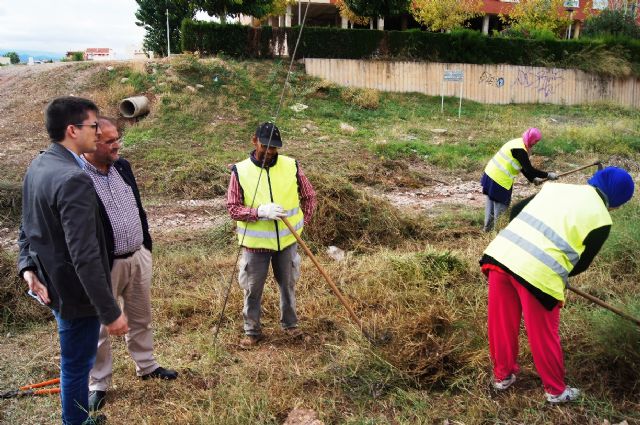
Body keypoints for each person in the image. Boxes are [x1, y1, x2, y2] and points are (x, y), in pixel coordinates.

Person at [480, 167, 634, 403]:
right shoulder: (602, 219)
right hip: (538, 276)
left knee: (501, 323)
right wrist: (554, 270)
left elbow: (518, 211)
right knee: (543, 334)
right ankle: (556, 391)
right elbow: (581, 264)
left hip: (501, 256)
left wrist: (524, 242)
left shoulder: (556, 188)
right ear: (616, 200)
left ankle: (503, 377)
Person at [17, 97, 128, 425]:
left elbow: (28, 226)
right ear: (72, 129)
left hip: (54, 284)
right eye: (93, 126)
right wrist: (110, 312)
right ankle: (76, 421)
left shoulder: (39, 164)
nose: (98, 132)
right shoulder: (73, 179)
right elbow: (85, 254)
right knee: (77, 366)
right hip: (75, 294)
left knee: (75, 364)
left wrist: (27, 267)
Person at [82, 117, 178, 412]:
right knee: (98, 326)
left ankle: (147, 365)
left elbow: (137, 206)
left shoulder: (122, 166)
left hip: (137, 255)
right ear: (90, 144)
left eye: (117, 139)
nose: (117, 145)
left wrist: (145, 245)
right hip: (105, 265)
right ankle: (98, 383)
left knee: (141, 316)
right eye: (110, 141)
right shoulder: (78, 177)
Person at [227, 122, 316, 348]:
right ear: (254, 140)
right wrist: (259, 212)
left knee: (288, 285)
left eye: (274, 148)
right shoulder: (241, 171)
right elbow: (233, 208)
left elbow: (309, 196)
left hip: (287, 242)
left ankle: (291, 325)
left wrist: (302, 221)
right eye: (265, 146)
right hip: (255, 246)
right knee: (252, 289)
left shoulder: (291, 166)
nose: (269, 152)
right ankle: (252, 331)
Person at [481, 128, 559, 232]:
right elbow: (529, 169)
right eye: (535, 141)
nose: (535, 143)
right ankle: (497, 234)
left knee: (491, 204)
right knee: (501, 208)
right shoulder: (520, 149)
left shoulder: (519, 142)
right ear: (530, 138)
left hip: (490, 174)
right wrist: (548, 175)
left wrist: (533, 179)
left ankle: (487, 230)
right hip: (499, 180)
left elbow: (522, 167)